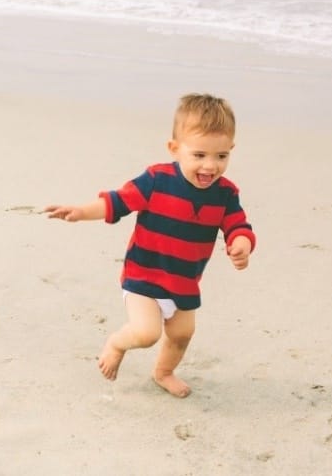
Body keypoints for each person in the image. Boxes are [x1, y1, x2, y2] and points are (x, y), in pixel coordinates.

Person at [44, 93, 256, 398]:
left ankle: (163, 371)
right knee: (147, 333)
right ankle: (117, 343)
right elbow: (117, 202)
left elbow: (238, 224)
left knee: (182, 334)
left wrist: (241, 244)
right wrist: (81, 212)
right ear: (175, 148)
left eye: (221, 156)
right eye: (199, 155)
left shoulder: (225, 194)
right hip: (144, 274)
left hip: (183, 281)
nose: (211, 165)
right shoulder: (157, 180)